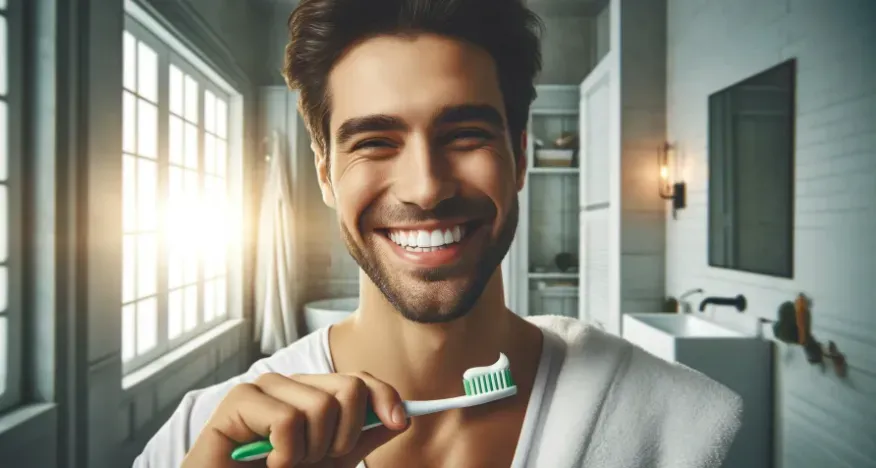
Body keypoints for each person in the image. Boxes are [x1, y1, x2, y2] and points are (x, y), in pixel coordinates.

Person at [134, 0, 742, 466]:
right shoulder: (200, 436)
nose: (425, 188)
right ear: (325, 173)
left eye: (466, 135)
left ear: (520, 156)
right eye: (375, 142)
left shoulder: (680, 423)